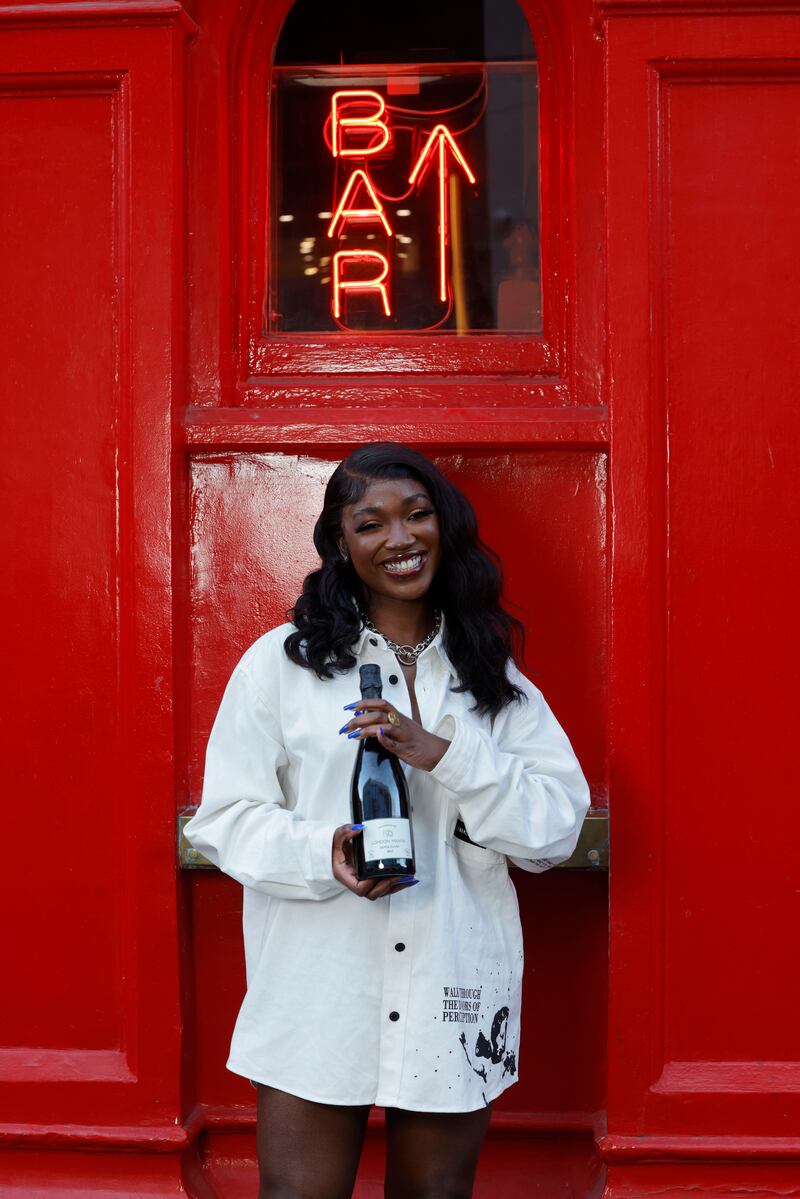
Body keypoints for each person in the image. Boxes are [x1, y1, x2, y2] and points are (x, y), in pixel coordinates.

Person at [183, 441, 591, 1199]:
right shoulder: (283, 665)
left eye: (417, 513)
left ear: (446, 525)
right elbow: (224, 817)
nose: (400, 538)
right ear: (340, 543)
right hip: (318, 981)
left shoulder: (491, 680)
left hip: (454, 981)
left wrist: (449, 755)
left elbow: (554, 831)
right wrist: (322, 852)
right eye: (370, 522)